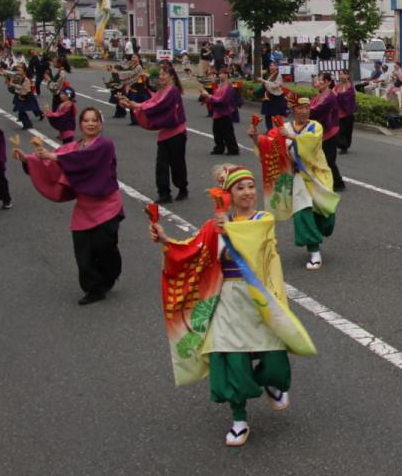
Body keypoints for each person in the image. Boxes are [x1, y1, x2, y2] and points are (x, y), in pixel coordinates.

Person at [149, 164, 316, 447]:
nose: (248, 192)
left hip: (259, 299)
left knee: (276, 363)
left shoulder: (262, 219)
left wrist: (227, 230)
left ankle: (269, 382)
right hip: (227, 299)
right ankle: (239, 419)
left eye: (251, 186)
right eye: (240, 188)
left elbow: (254, 242)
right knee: (231, 362)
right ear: (227, 194)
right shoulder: (214, 226)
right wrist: (165, 239)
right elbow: (192, 250)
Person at [14, 106, 123, 305]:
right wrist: (28, 159)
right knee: (83, 251)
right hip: (84, 206)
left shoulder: (104, 145)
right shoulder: (73, 147)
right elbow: (53, 161)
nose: (90, 123)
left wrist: (52, 156)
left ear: (100, 124)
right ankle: (94, 289)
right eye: (86, 120)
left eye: (94, 120)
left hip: (107, 204)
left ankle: (110, 273)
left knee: (104, 247)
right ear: (80, 124)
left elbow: (81, 159)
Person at [251, 96, 340, 269]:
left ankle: (320, 231)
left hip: (317, 175)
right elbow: (270, 145)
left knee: (326, 213)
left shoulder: (315, 126)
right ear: (293, 110)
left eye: (307, 107)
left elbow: (311, 143)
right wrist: (255, 138)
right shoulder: (283, 127)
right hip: (297, 176)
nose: (304, 111)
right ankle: (314, 251)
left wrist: (291, 136)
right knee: (302, 210)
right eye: (300, 108)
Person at [121, 63, 189, 204]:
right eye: (160, 74)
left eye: (164, 74)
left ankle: (183, 188)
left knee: (177, 164)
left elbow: (159, 106)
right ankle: (164, 193)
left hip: (177, 133)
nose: (161, 77)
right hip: (165, 133)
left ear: (171, 76)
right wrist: (132, 105)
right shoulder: (162, 90)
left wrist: (138, 106)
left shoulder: (173, 91)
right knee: (161, 164)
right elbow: (152, 102)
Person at [309, 72, 345, 191]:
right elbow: (312, 107)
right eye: (318, 80)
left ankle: (338, 182)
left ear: (329, 82)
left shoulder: (329, 97)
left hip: (330, 131)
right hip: (322, 131)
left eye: (321, 80)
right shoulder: (320, 95)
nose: (318, 82)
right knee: (321, 158)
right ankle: (325, 180)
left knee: (329, 159)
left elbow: (316, 110)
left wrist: (303, 110)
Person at [200, 67, 240, 156]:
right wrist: (206, 97)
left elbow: (223, 100)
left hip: (225, 112)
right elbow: (215, 97)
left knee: (228, 132)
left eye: (221, 73)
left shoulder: (229, 87)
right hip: (217, 112)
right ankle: (219, 148)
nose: (219, 75)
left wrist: (210, 97)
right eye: (219, 73)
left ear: (226, 74)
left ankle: (233, 149)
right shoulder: (219, 86)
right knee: (217, 132)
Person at [2, 62, 42, 129]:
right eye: (17, 69)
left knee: (29, 107)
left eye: (20, 69)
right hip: (20, 94)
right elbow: (11, 81)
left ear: (24, 70)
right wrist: (6, 78)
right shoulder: (17, 76)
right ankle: (26, 123)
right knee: (21, 109)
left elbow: (24, 88)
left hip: (25, 95)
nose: (18, 70)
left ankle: (28, 123)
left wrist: (14, 86)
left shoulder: (26, 79)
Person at [333, 69, 358, 154]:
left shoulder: (350, 86)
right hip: (338, 113)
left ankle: (345, 147)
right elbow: (332, 95)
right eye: (340, 74)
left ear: (347, 76)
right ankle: (341, 145)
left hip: (347, 113)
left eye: (344, 74)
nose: (342, 76)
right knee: (338, 131)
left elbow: (348, 98)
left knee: (346, 131)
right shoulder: (337, 86)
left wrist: (338, 96)